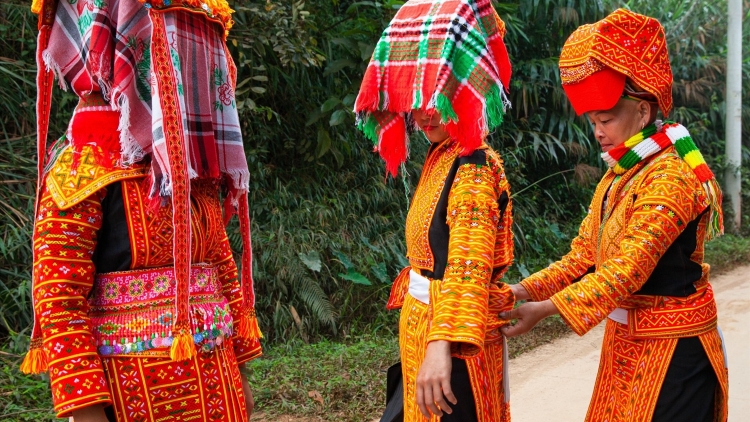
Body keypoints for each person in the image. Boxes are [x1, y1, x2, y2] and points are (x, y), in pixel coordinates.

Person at [21, 0, 263, 421]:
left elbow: (220, 264)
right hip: (132, 398)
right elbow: (59, 300)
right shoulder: (85, 162)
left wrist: (240, 376)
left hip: (215, 389)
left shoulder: (188, 159)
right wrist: (87, 413)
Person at [501, 9, 728, 422]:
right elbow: (583, 255)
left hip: (675, 352)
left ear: (642, 113)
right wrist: (525, 290)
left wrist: (547, 309)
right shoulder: (619, 174)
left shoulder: (671, 176)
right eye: (592, 122)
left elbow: (626, 270)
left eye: (605, 119)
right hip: (627, 341)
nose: (598, 132)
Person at [355, 0, 515, 420]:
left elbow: (468, 264)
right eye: (415, 96)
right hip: (426, 330)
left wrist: (442, 346)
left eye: (434, 96)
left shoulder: (474, 167)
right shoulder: (444, 155)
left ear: (461, 89)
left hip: (453, 344)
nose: (422, 113)